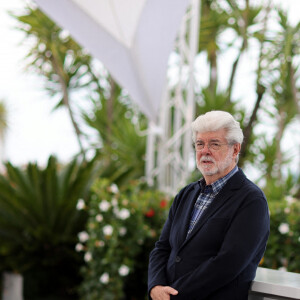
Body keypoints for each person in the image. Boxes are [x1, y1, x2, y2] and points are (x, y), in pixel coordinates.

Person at [148, 110, 270, 300]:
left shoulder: (252, 200)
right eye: (200, 144)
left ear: (235, 149)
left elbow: (228, 263)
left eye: (214, 144)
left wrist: (174, 295)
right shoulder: (186, 194)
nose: (205, 151)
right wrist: (155, 286)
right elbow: (162, 247)